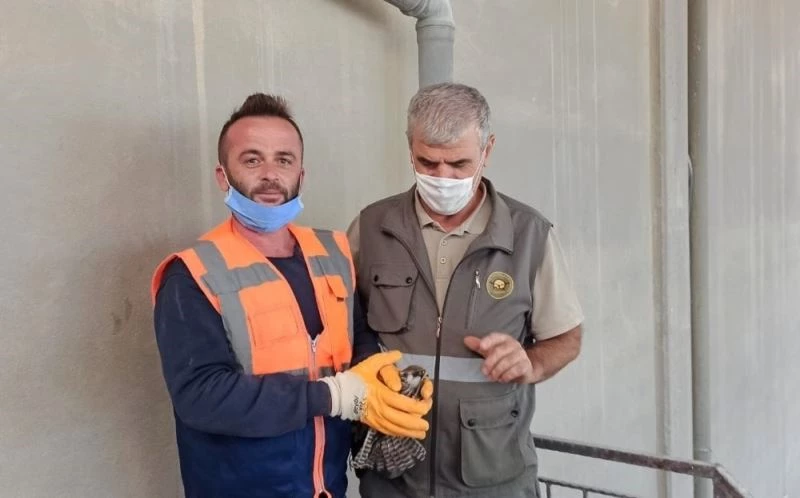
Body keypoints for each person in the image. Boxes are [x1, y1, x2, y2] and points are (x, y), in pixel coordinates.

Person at [150, 93, 432, 498]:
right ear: (222, 176)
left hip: (326, 486)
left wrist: (379, 378)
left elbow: (356, 336)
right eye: (252, 160)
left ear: (301, 174)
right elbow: (201, 395)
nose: (270, 174)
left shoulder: (331, 253)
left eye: (284, 160)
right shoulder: (191, 274)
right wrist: (335, 396)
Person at [347, 82, 584, 498]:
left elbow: (567, 338)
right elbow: (343, 331)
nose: (443, 177)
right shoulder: (371, 228)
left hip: (491, 477)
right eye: (428, 162)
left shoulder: (529, 235)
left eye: (459, 164)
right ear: (410, 149)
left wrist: (530, 363)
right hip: (393, 477)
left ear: (487, 151)